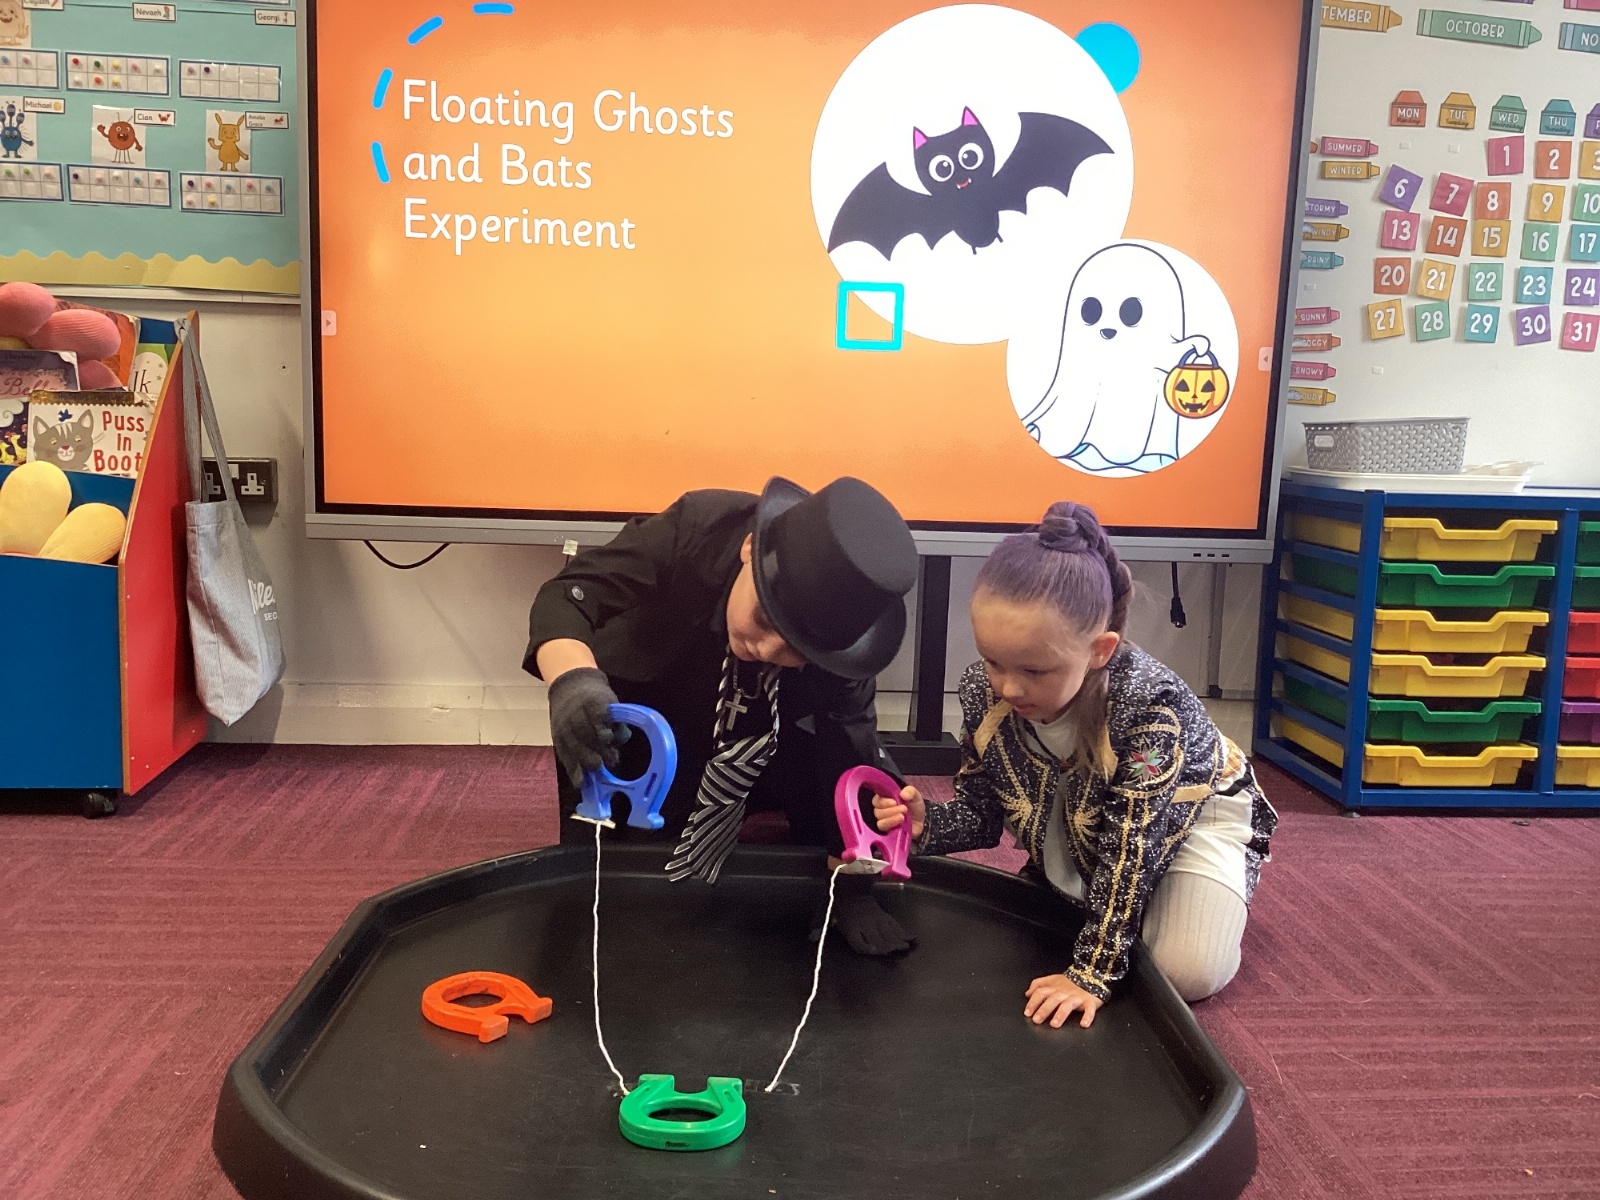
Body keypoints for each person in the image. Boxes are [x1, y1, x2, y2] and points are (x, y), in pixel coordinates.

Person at [872, 501, 1277, 1024]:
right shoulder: (982, 692)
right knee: (1048, 926)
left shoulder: (1151, 710)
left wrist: (1091, 973)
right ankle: (1099, 895)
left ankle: (1204, 890)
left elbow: (1132, 846)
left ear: (1100, 650)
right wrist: (926, 822)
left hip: (1191, 814)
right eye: (993, 661)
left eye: (1035, 670)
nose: (1008, 687)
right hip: (1083, 806)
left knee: (1184, 974)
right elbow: (983, 812)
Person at [524, 475, 922, 955]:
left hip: (762, 727)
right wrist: (572, 680)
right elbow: (571, 593)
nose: (766, 649)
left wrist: (852, 882)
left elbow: (848, 750)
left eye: (796, 648)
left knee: (845, 783)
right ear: (750, 548)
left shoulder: (846, 639)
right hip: (644, 701)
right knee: (619, 875)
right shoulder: (698, 528)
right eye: (765, 620)